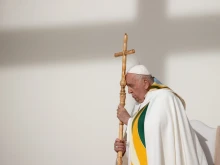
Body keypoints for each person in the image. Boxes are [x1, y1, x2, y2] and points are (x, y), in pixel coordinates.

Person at [114, 65, 208, 165]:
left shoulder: (164, 97)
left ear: (145, 83)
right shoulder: (140, 105)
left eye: (131, 85)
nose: (129, 91)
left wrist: (129, 120)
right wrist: (124, 149)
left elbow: (154, 130)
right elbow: (143, 144)